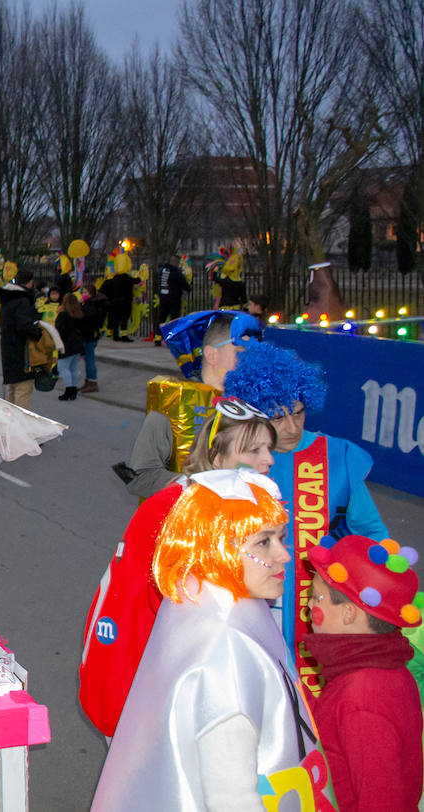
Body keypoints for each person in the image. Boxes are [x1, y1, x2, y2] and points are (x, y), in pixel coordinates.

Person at [92, 470, 325, 810]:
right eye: (264, 541)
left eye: (281, 538)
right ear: (216, 548)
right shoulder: (224, 654)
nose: (284, 555)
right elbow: (232, 799)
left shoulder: (207, 609)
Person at [79, 400, 277, 737]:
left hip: (164, 674)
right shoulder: (187, 511)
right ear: (218, 457)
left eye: (269, 449)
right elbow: (189, 614)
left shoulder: (216, 500)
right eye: (253, 449)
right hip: (145, 677)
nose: (269, 460)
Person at [223, 341, 389, 671]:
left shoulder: (339, 455)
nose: (291, 427)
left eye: (297, 412)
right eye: (278, 416)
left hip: (318, 609)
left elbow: (372, 533)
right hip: (252, 607)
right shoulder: (237, 461)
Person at [304, 534, 423, 812]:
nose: (310, 605)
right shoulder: (379, 667)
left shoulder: (362, 698)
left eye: (317, 597)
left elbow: (382, 802)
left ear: (348, 614)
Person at [121, 309, 262, 500]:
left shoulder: (255, 406)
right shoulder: (172, 404)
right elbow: (139, 478)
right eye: (241, 351)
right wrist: (197, 487)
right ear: (211, 354)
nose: (251, 360)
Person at [0, 268, 42, 408]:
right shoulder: (22, 300)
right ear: (30, 283)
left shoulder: (7, 299)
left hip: (8, 349)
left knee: (13, 389)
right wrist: (37, 332)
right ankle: (20, 426)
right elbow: (24, 326)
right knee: (23, 390)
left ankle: (10, 423)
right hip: (21, 352)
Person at [53, 292, 85, 401]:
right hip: (77, 344)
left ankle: (68, 389)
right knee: (74, 368)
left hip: (66, 345)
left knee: (63, 367)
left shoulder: (63, 315)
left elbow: (59, 330)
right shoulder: (79, 314)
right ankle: (74, 390)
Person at [153, 254, 190, 344]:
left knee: (161, 318)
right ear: (176, 262)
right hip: (174, 299)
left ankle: (157, 338)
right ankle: (173, 338)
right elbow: (185, 285)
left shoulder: (163, 271)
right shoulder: (176, 272)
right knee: (174, 319)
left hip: (163, 298)